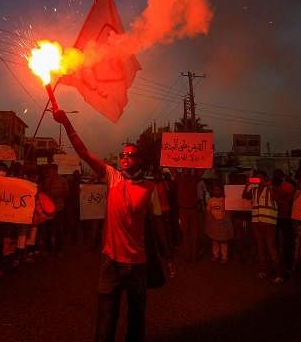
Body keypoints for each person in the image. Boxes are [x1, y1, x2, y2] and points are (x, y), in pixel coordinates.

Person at [53, 108, 172, 342]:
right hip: (110, 262)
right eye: (122, 154)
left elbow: (158, 225)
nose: (124, 157)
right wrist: (66, 122)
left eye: (130, 154)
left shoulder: (151, 189)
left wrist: (167, 256)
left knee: (136, 320)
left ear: (140, 160)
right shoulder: (113, 177)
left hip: (138, 265)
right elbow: (83, 152)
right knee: (106, 318)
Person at [242, 171, 284, 284]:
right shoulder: (254, 190)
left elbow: (278, 197)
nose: (258, 180)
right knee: (260, 247)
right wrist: (247, 184)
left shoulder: (271, 188)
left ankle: (279, 274)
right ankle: (264, 270)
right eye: (256, 178)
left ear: (265, 178)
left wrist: (269, 185)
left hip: (269, 222)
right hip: (256, 221)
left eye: (260, 178)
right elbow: (244, 196)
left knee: (271, 247)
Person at [170, 168, 202, 262]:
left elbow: (202, 169)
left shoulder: (194, 178)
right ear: (182, 170)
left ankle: (194, 255)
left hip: (193, 210)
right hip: (183, 210)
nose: (186, 170)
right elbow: (172, 169)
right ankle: (188, 255)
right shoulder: (179, 178)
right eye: (184, 168)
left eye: (188, 168)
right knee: (185, 233)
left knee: (194, 234)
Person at [42, 164, 69, 256]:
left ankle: (58, 249)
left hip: (58, 208)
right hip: (48, 209)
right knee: (48, 229)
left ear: (56, 170)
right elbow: (43, 193)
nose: (50, 173)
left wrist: (58, 194)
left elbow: (66, 192)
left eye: (51, 171)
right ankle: (48, 249)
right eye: (49, 171)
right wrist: (48, 184)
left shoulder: (63, 180)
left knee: (58, 229)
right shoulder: (46, 180)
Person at [205, 183, 234, 264]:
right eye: (215, 190)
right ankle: (215, 255)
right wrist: (212, 219)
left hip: (223, 223)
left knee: (224, 241)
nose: (216, 191)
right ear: (213, 191)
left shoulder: (225, 199)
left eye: (218, 190)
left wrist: (224, 219)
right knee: (215, 241)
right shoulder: (211, 200)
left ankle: (224, 257)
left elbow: (228, 211)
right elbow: (208, 211)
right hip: (214, 223)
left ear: (221, 191)